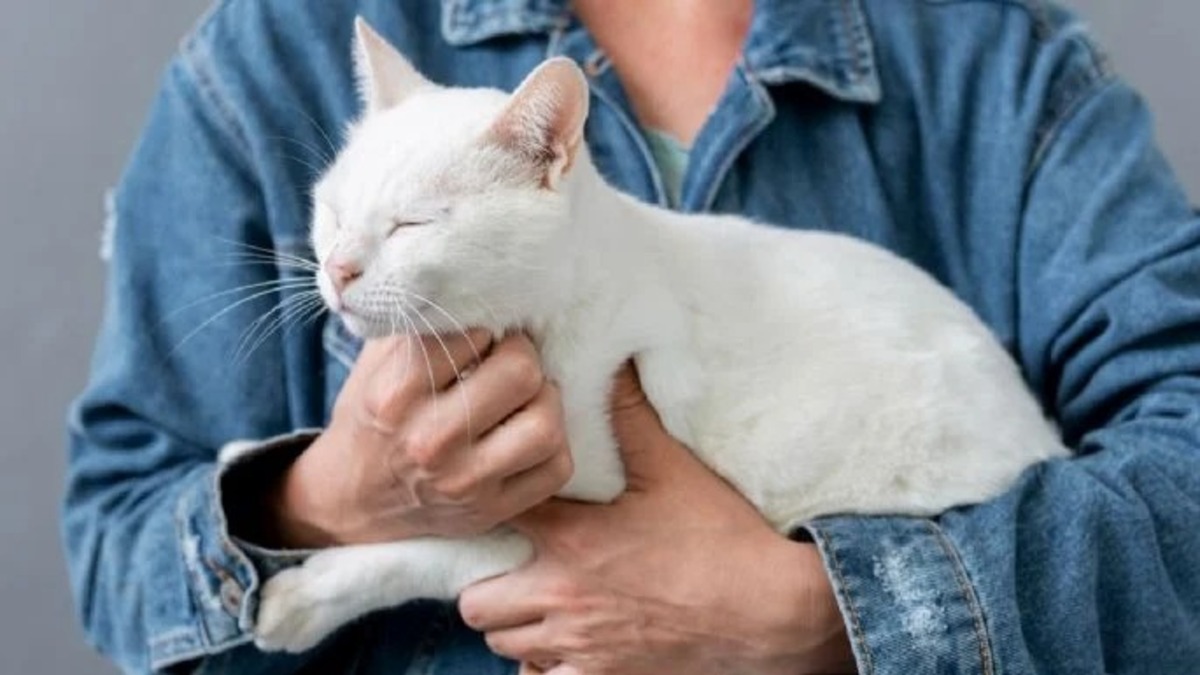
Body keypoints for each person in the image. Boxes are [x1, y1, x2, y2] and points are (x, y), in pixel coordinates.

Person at [63, 0, 1200, 673]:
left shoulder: (991, 59)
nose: (339, 271)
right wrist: (329, 502)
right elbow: (118, 546)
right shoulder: (275, 47)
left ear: (554, 156)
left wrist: (828, 616)